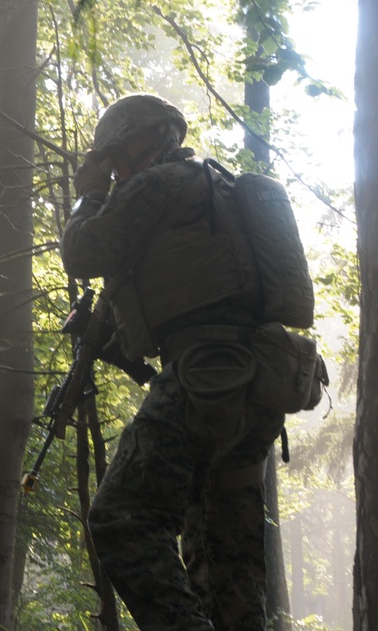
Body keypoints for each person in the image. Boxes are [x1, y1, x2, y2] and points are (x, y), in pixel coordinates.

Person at [61, 93, 307, 629]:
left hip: (205, 377)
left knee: (121, 519)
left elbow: (82, 252)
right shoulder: (216, 190)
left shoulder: (159, 183)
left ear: (143, 142)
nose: (116, 170)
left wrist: (88, 197)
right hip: (257, 385)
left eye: (117, 157)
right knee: (227, 564)